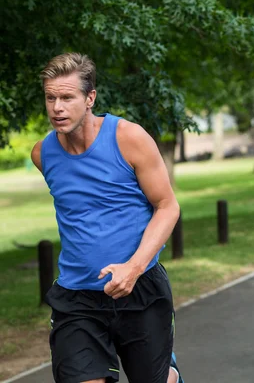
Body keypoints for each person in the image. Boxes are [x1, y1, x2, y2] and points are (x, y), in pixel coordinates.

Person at [31, 52, 182, 383]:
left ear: (90, 98)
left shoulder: (128, 138)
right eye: (50, 97)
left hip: (140, 289)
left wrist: (134, 266)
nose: (57, 108)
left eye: (67, 97)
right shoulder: (43, 154)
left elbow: (167, 206)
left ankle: (167, 373)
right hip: (77, 299)